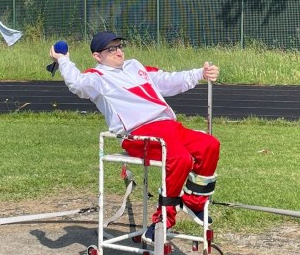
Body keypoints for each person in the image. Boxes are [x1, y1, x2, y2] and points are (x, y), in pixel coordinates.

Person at [50, 31, 220, 242]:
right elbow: (76, 84)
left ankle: (193, 203)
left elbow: (166, 80)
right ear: (97, 56)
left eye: (119, 46)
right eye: (111, 49)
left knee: (209, 145)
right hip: (138, 132)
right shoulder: (96, 78)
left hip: (168, 125)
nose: (118, 52)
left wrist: (200, 73)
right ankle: (162, 221)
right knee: (181, 159)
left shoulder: (135, 66)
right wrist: (63, 59)